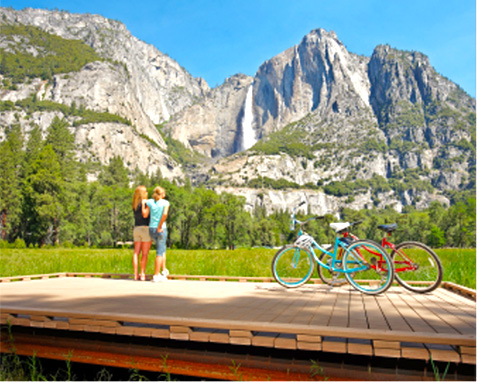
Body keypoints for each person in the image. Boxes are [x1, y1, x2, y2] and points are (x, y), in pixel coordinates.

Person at [147, 186, 170, 282]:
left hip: (151, 228)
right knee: (159, 252)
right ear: (162, 194)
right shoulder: (165, 203)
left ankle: (163, 271)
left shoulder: (150, 202)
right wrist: (160, 226)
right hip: (160, 229)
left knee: (162, 249)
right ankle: (156, 275)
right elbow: (164, 214)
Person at [131, 185, 151, 281]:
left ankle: (135, 274)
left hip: (136, 228)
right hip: (145, 229)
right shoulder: (145, 203)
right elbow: (145, 214)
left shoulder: (134, 204)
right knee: (144, 254)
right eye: (146, 191)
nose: (147, 192)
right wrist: (145, 205)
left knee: (136, 252)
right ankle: (142, 274)